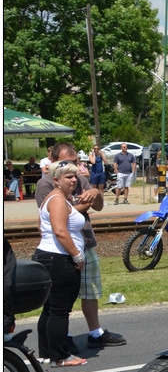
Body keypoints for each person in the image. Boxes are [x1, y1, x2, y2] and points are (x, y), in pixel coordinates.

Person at [34, 143, 126, 351]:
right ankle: (60, 340)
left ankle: (95, 333)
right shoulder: (46, 184)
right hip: (62, 250)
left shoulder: (78, 178)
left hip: (85, 241)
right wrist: (87, 201)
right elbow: (62, 213)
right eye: (67, 162)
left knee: (90, 291)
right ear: (53, 162)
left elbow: (99, 206)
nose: (74, 168)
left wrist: (96, 192)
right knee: (61, 300)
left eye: (75, 161)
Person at [32, 159, 88, 367]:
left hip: (48, 256)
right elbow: (60, 231)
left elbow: (40, 226)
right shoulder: (57, 199)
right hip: (59, 259)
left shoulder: (55, 198)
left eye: (75, 176)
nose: (73, 180)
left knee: (50, 308)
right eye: (68, 176)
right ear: (56, 180)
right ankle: (60, 356)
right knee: (59, 310)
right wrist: (77, 255)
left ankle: (47, 353)